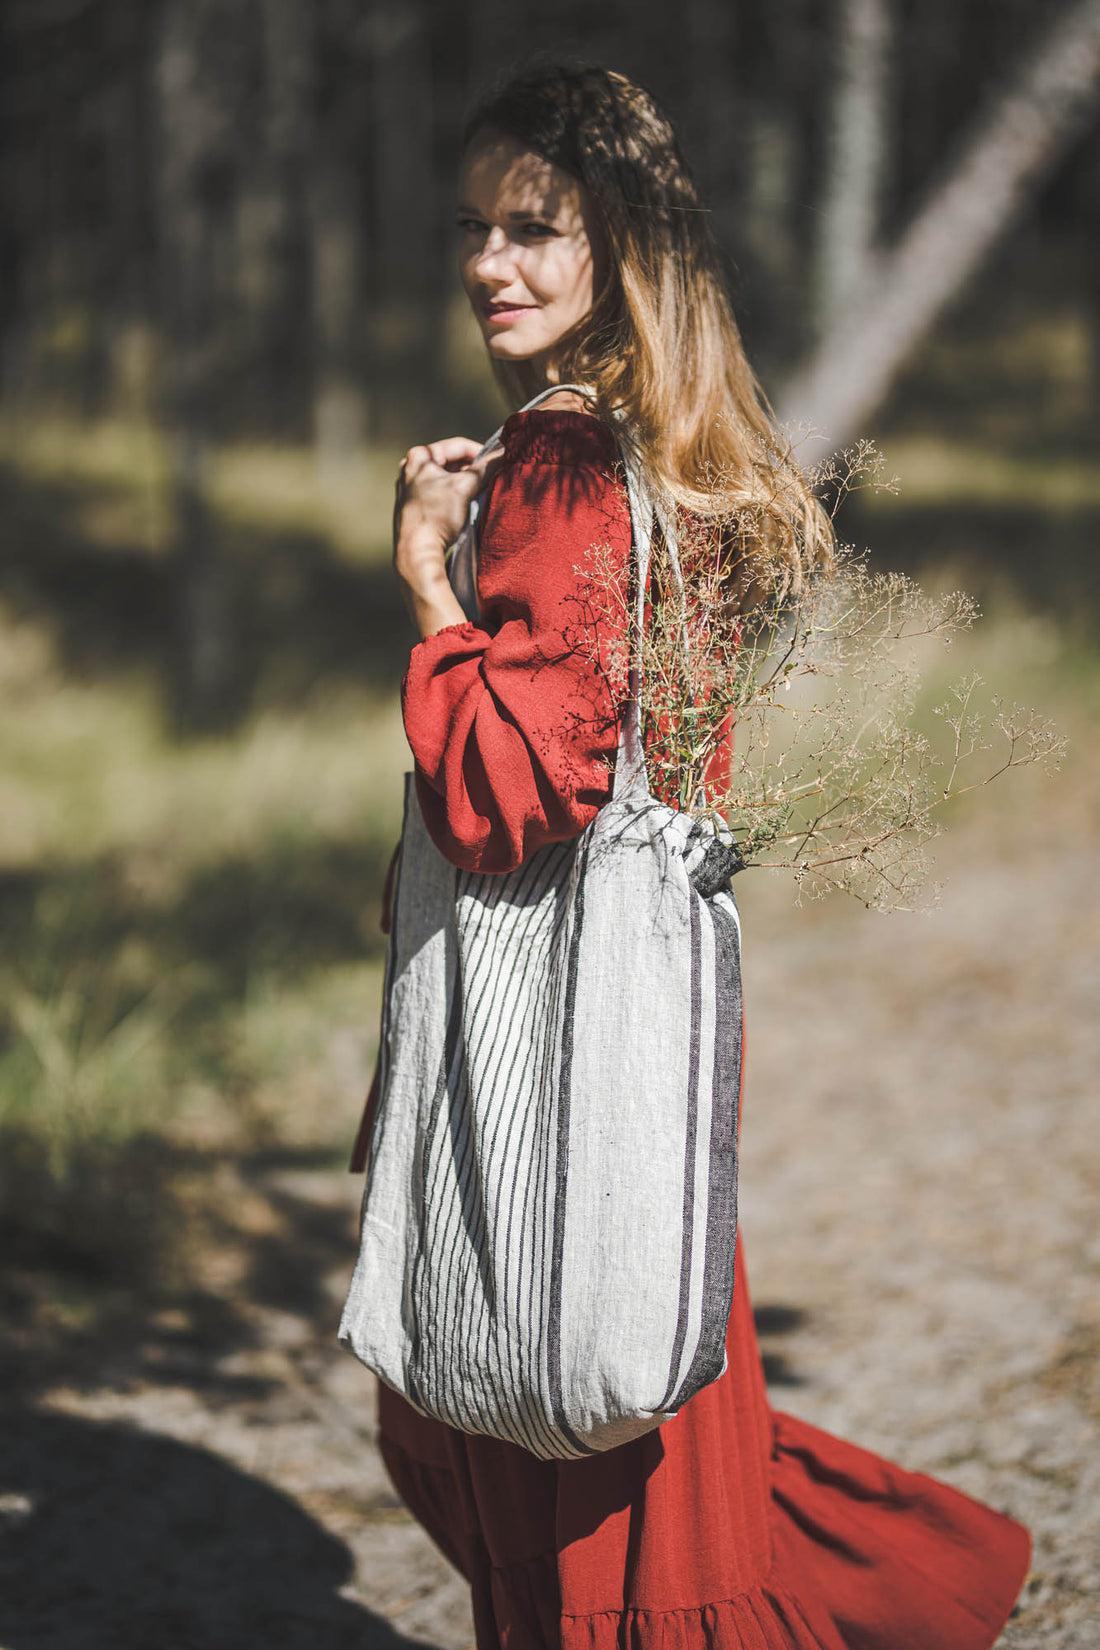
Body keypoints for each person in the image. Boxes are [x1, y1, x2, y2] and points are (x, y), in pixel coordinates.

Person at [365, 63, 1031, 1650]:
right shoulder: (675, 449)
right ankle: (909, 1589)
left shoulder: (563, 462)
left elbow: (513, 788)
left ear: (626, 245)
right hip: (647, 1018)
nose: (489, 264)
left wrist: (427, 592)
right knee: (655, 1413)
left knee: (544, 1431)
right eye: (475, 227)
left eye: (536, 228)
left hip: (565, 1031)